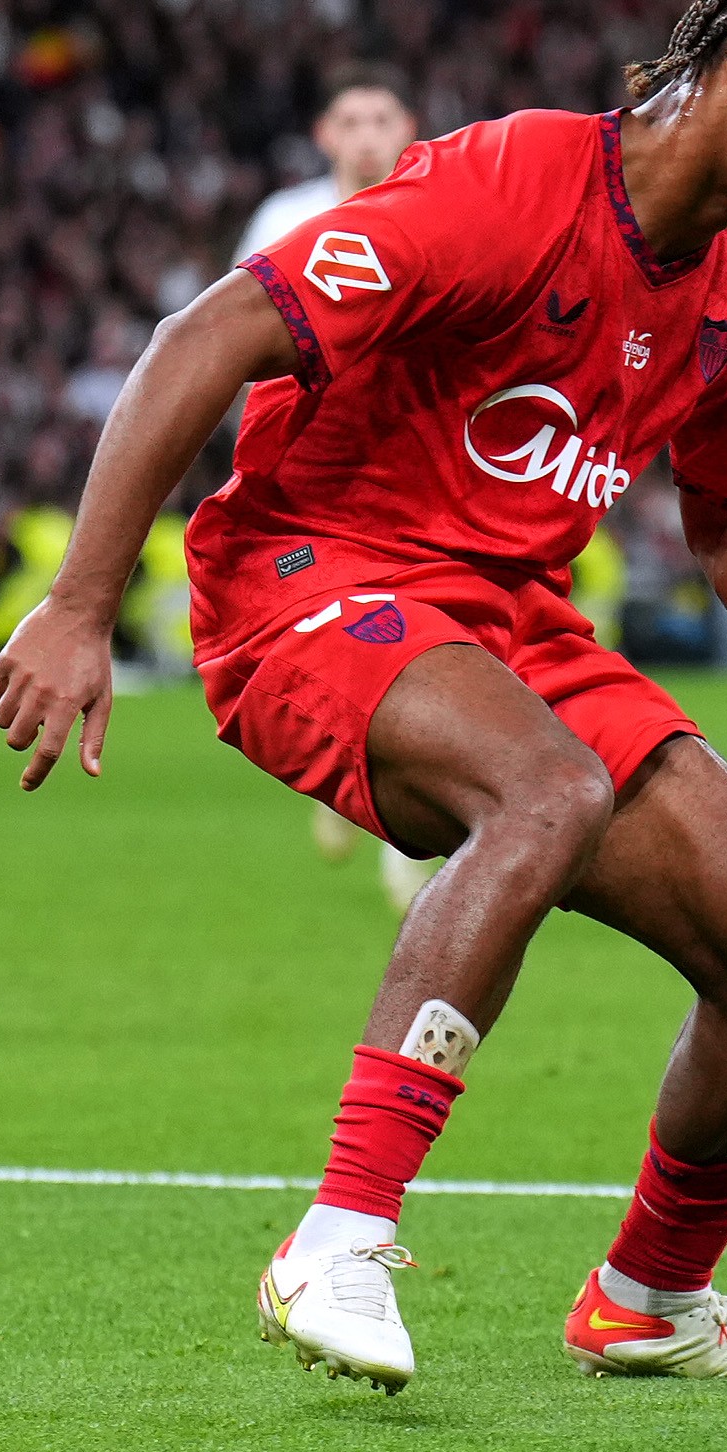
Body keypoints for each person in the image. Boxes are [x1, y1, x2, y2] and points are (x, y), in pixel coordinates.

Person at [0, 0, 727, 1395]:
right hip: (309, 576)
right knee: (546, 788)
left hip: (509, 618)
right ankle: (338, 1235)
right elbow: (207, 331)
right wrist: (81, 603)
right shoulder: (507, 184)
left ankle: (651, 1295)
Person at [235, 67, 436, 900]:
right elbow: (233, 337)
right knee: (339, 623)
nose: (364, 133)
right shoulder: (286, 219)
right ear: (325, 135)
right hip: (310, 463)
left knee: (421, 621)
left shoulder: (439, 210)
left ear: (408, 127)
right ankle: (355, 777)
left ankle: (386, 801)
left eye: (380, 116)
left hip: (413, 456)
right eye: (349, 118)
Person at [236, 64, 422, 263]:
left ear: (408, 128)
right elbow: (240, 293)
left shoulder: (429, 218)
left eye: (382, 121)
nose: (367, 139)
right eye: (350, 123)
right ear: (322, 132)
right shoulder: (281, 219)